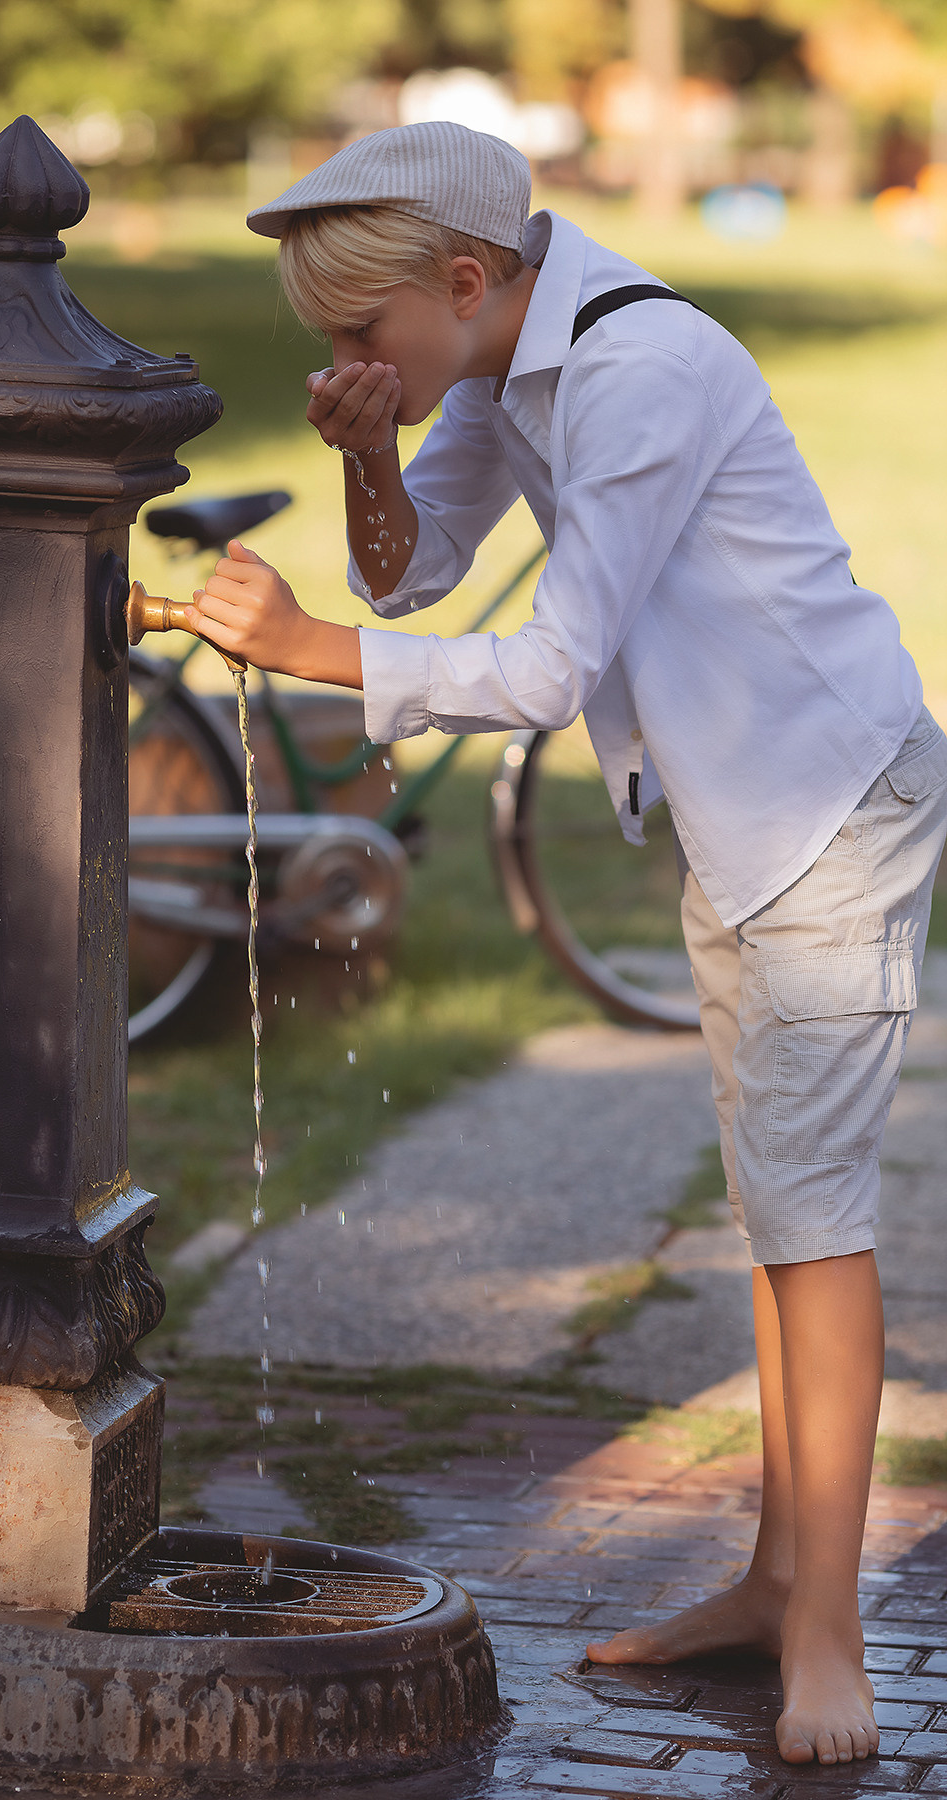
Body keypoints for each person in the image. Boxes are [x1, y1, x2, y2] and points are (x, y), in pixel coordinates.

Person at [172, 121, 947, 1767]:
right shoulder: (496, 362)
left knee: (815, 1224)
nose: (346, 361)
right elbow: (416, 576)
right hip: (748, 810)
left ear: (466, 280)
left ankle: (829, 1637)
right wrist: (369, 456)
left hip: (829, 798)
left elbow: (542, 669)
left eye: (362, 335)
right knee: (776, 1205)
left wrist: (302, 646)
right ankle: (774, 1583)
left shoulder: (639, 369)